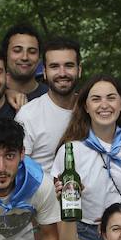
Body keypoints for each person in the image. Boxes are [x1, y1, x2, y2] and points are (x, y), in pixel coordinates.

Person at [53, 74, 121, 240]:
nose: (104, 105)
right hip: (86, 234)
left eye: (111, 98)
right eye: (96, 99)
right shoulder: (70, 150)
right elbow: (56, 205)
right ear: (86, 106)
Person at [18, 36, 81, 169]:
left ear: (79, 70)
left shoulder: (92, 110)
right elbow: (19, 168)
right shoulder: (29, 114)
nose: (62, 73)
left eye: (69, 65)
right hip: (44, 189)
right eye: (54, 67)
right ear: (45, 72)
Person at [4, 23, 48, 100]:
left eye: (32, 52)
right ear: (5, 55)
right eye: (17, 51)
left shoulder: (51, 98)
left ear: (39, 58)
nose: (25, 57)